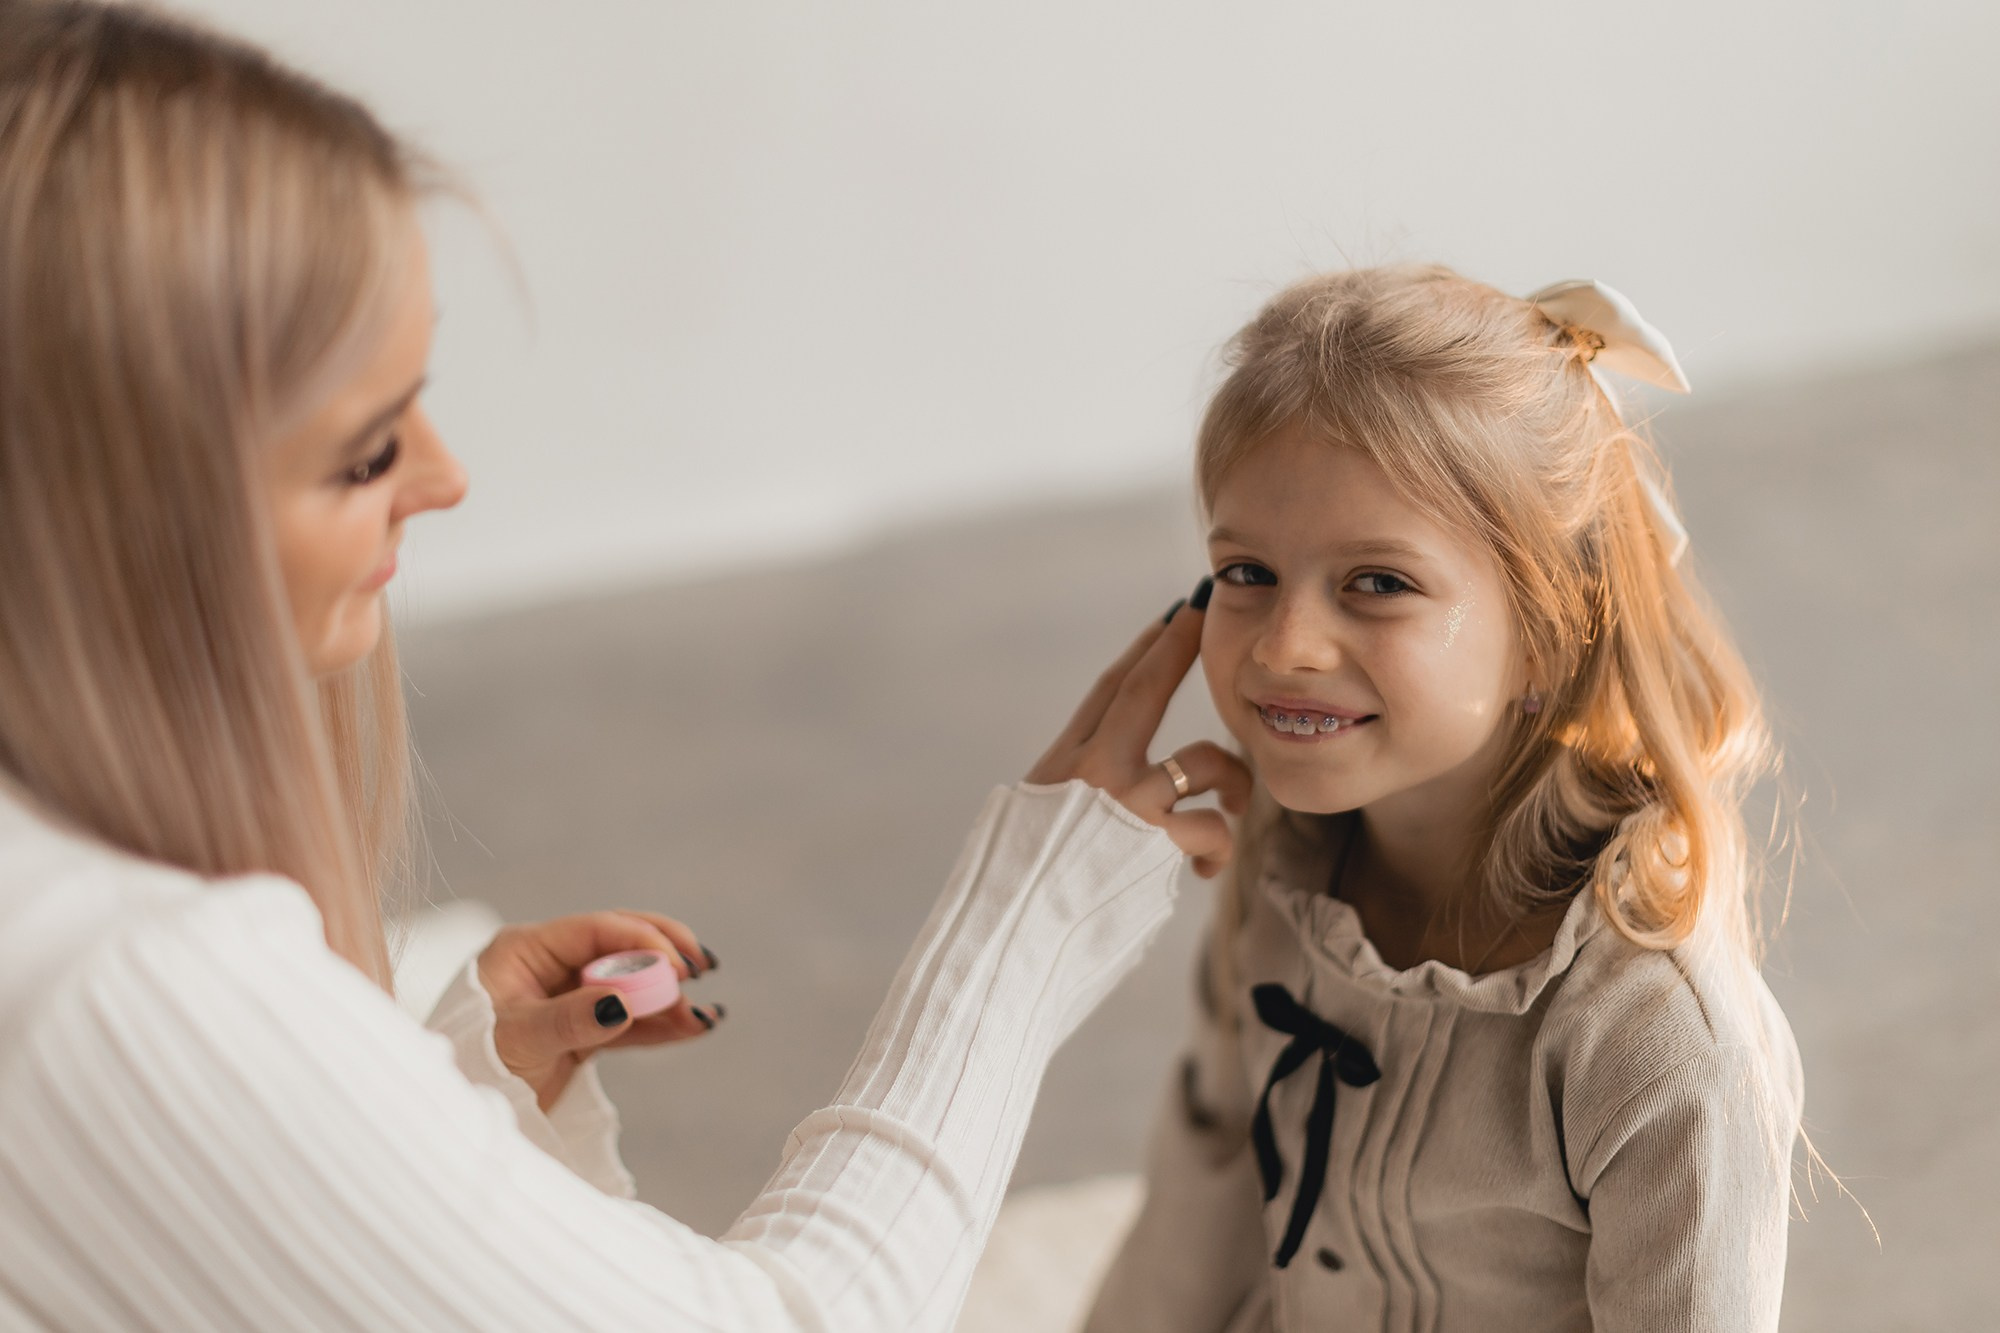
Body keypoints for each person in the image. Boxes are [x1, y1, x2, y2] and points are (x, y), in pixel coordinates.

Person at [0, 3, 1251, 1328]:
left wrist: (429, 1107)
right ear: (109, 518)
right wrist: (1024, 926)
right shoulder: (126, 984)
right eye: (366, 452)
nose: (446, 477)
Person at [1082, 267, 1804, 1331]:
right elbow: (1205, 1195)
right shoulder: (1279, 882)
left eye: (1376, 583)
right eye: (1245, 572)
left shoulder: (1653, 1037)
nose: (1285, 645)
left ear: (1547, 635)